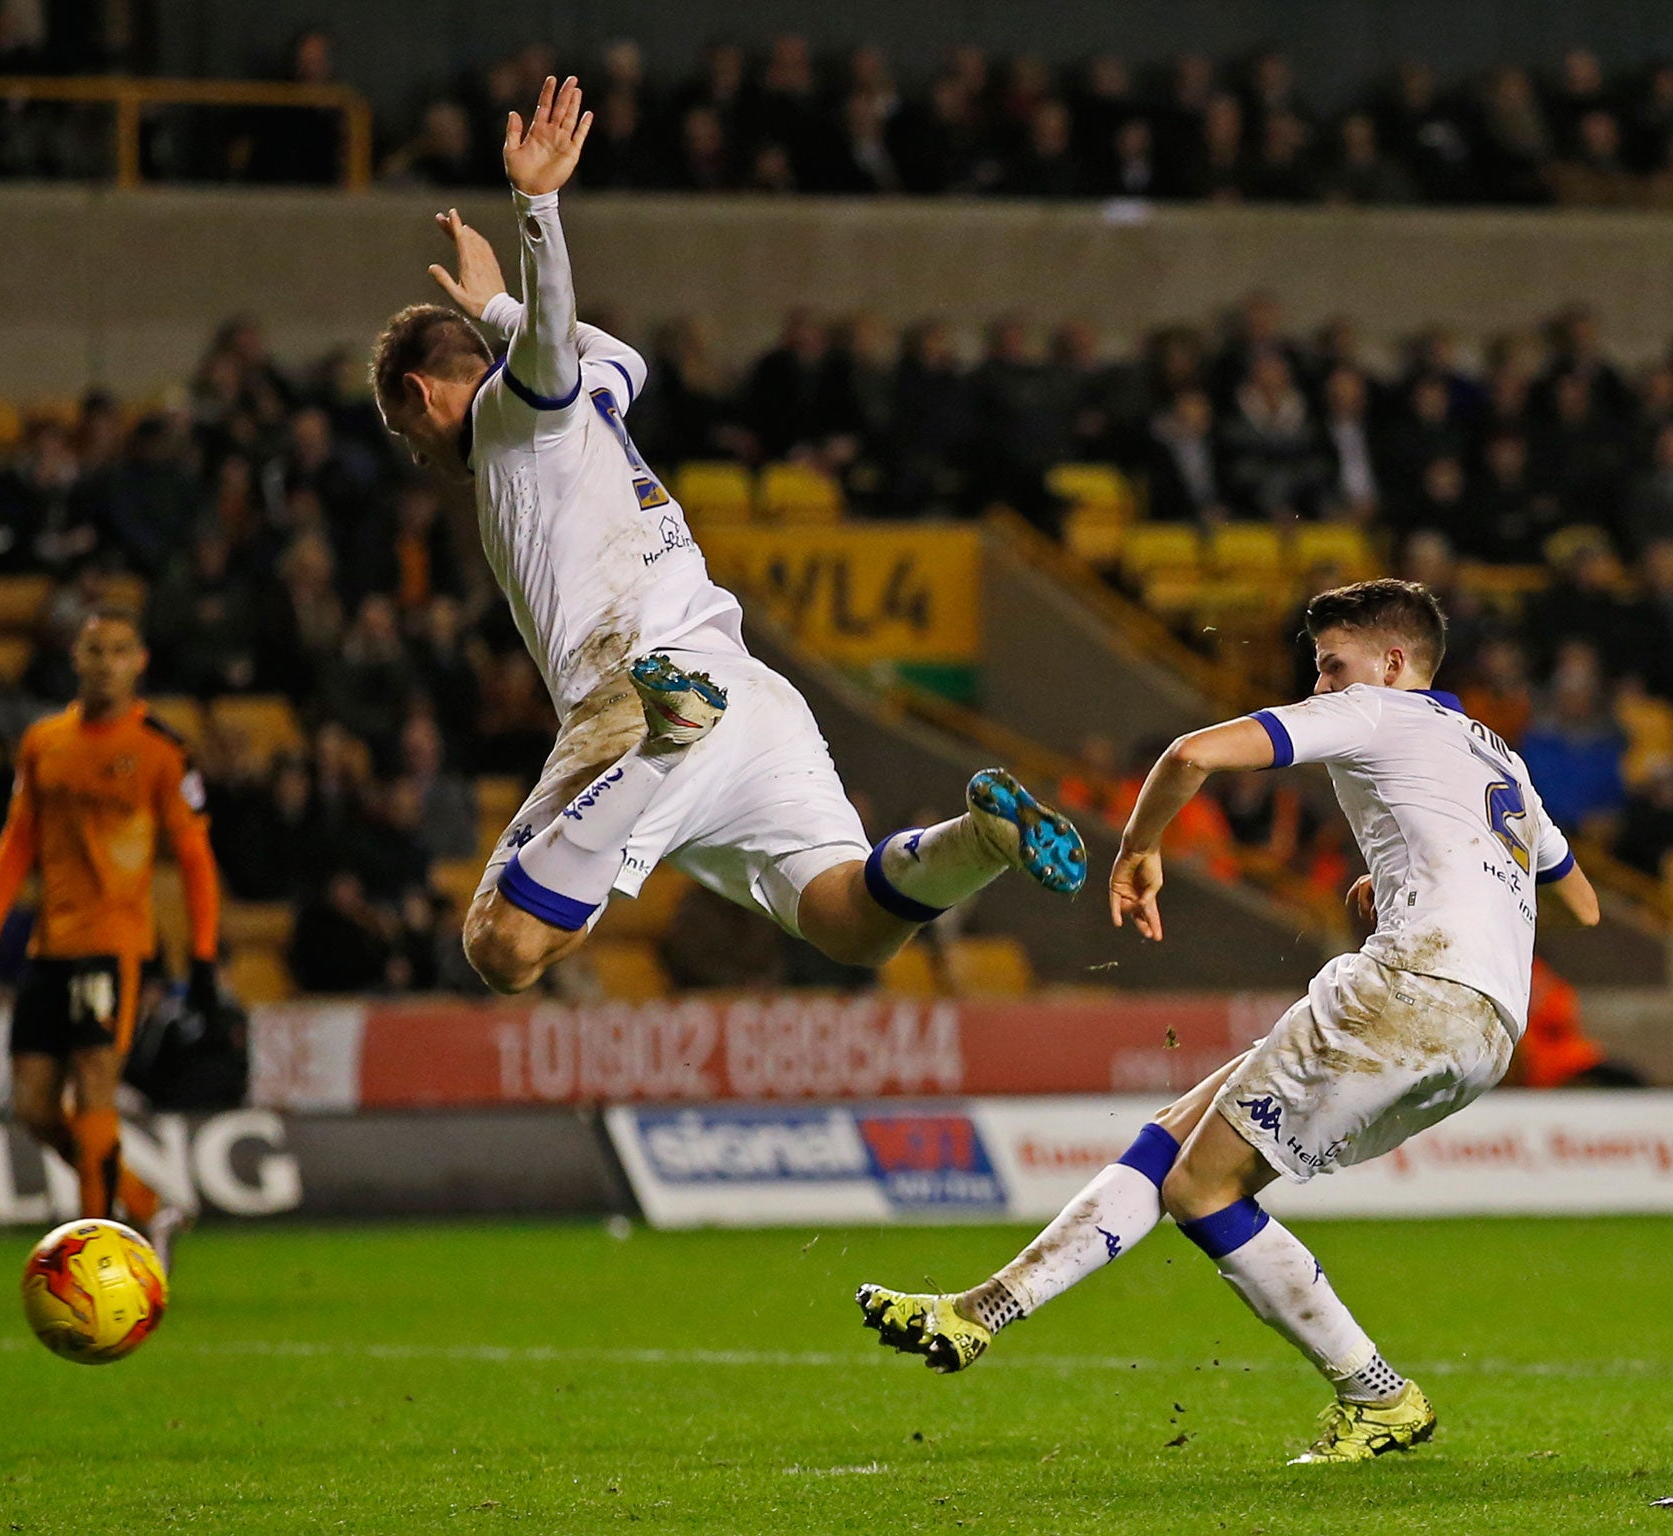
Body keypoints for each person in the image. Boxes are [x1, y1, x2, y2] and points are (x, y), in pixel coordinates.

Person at [370, 77, 1086, 998]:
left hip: (643, 694)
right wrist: (498, 310)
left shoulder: (517, 417)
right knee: (850, 922)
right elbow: (615, 356)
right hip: (751, 694)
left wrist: (535, 207)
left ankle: (667, 744)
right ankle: (982, 839)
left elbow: (547, 342)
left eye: (405, 436)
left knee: (501, 948)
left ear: (421, 399)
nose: (419, 458)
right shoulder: (590, 396)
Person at [859, 579, 1601, 1464]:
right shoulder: (1496, 755)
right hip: (1485, 1031)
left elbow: (1190, 755)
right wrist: (1414, 876)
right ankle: (980, 1313)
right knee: (1173, 1141)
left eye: (1334, 665)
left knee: (1200, 1190)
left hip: (1410, 987)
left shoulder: (1376, 712)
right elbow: (1583, 903)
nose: (1323, 686)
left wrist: (1137, 853)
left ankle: (1379, 1396)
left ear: (1393, 663)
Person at [0, 608, 220, 1270]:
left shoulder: (163, 750)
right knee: (35, 1107)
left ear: (140, 663)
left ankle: (95, 1253)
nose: (105, 662)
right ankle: (147, 1206)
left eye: (117, 651)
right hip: (49, 948)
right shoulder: (44, 740)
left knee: (94, 1084)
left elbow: (194, 858)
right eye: (93, 650)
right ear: (76, 661)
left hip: (114, 944)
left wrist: (204, 952)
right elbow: (18, 836)